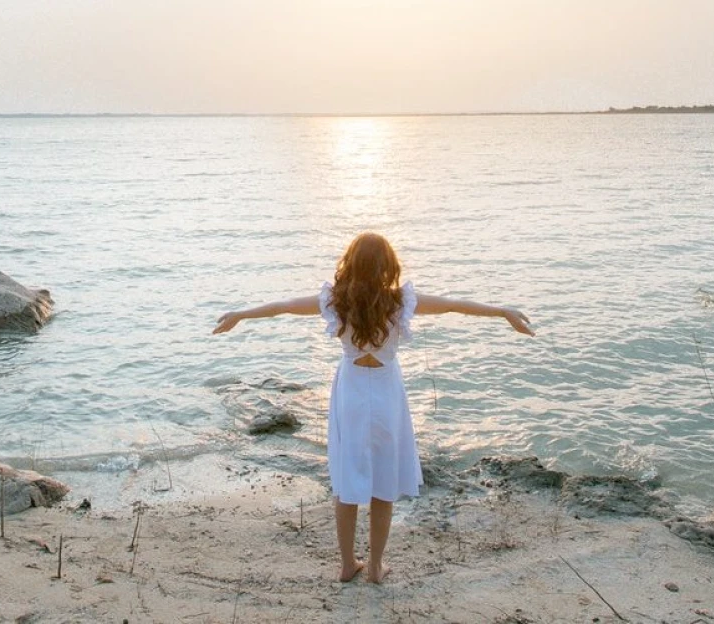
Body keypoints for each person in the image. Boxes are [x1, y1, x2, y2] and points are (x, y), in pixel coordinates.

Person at [212, 232, 534, 583]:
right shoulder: (399, 302)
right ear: (387, 265)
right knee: (384, 478)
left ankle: (348, 564)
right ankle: (376, 567)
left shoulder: (336, 301)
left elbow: (284, 306)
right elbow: (455, 304)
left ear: (350, 263)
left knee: (348, 478)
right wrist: (503, 312)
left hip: (350, 391)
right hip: (386, 393)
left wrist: (240, 314)